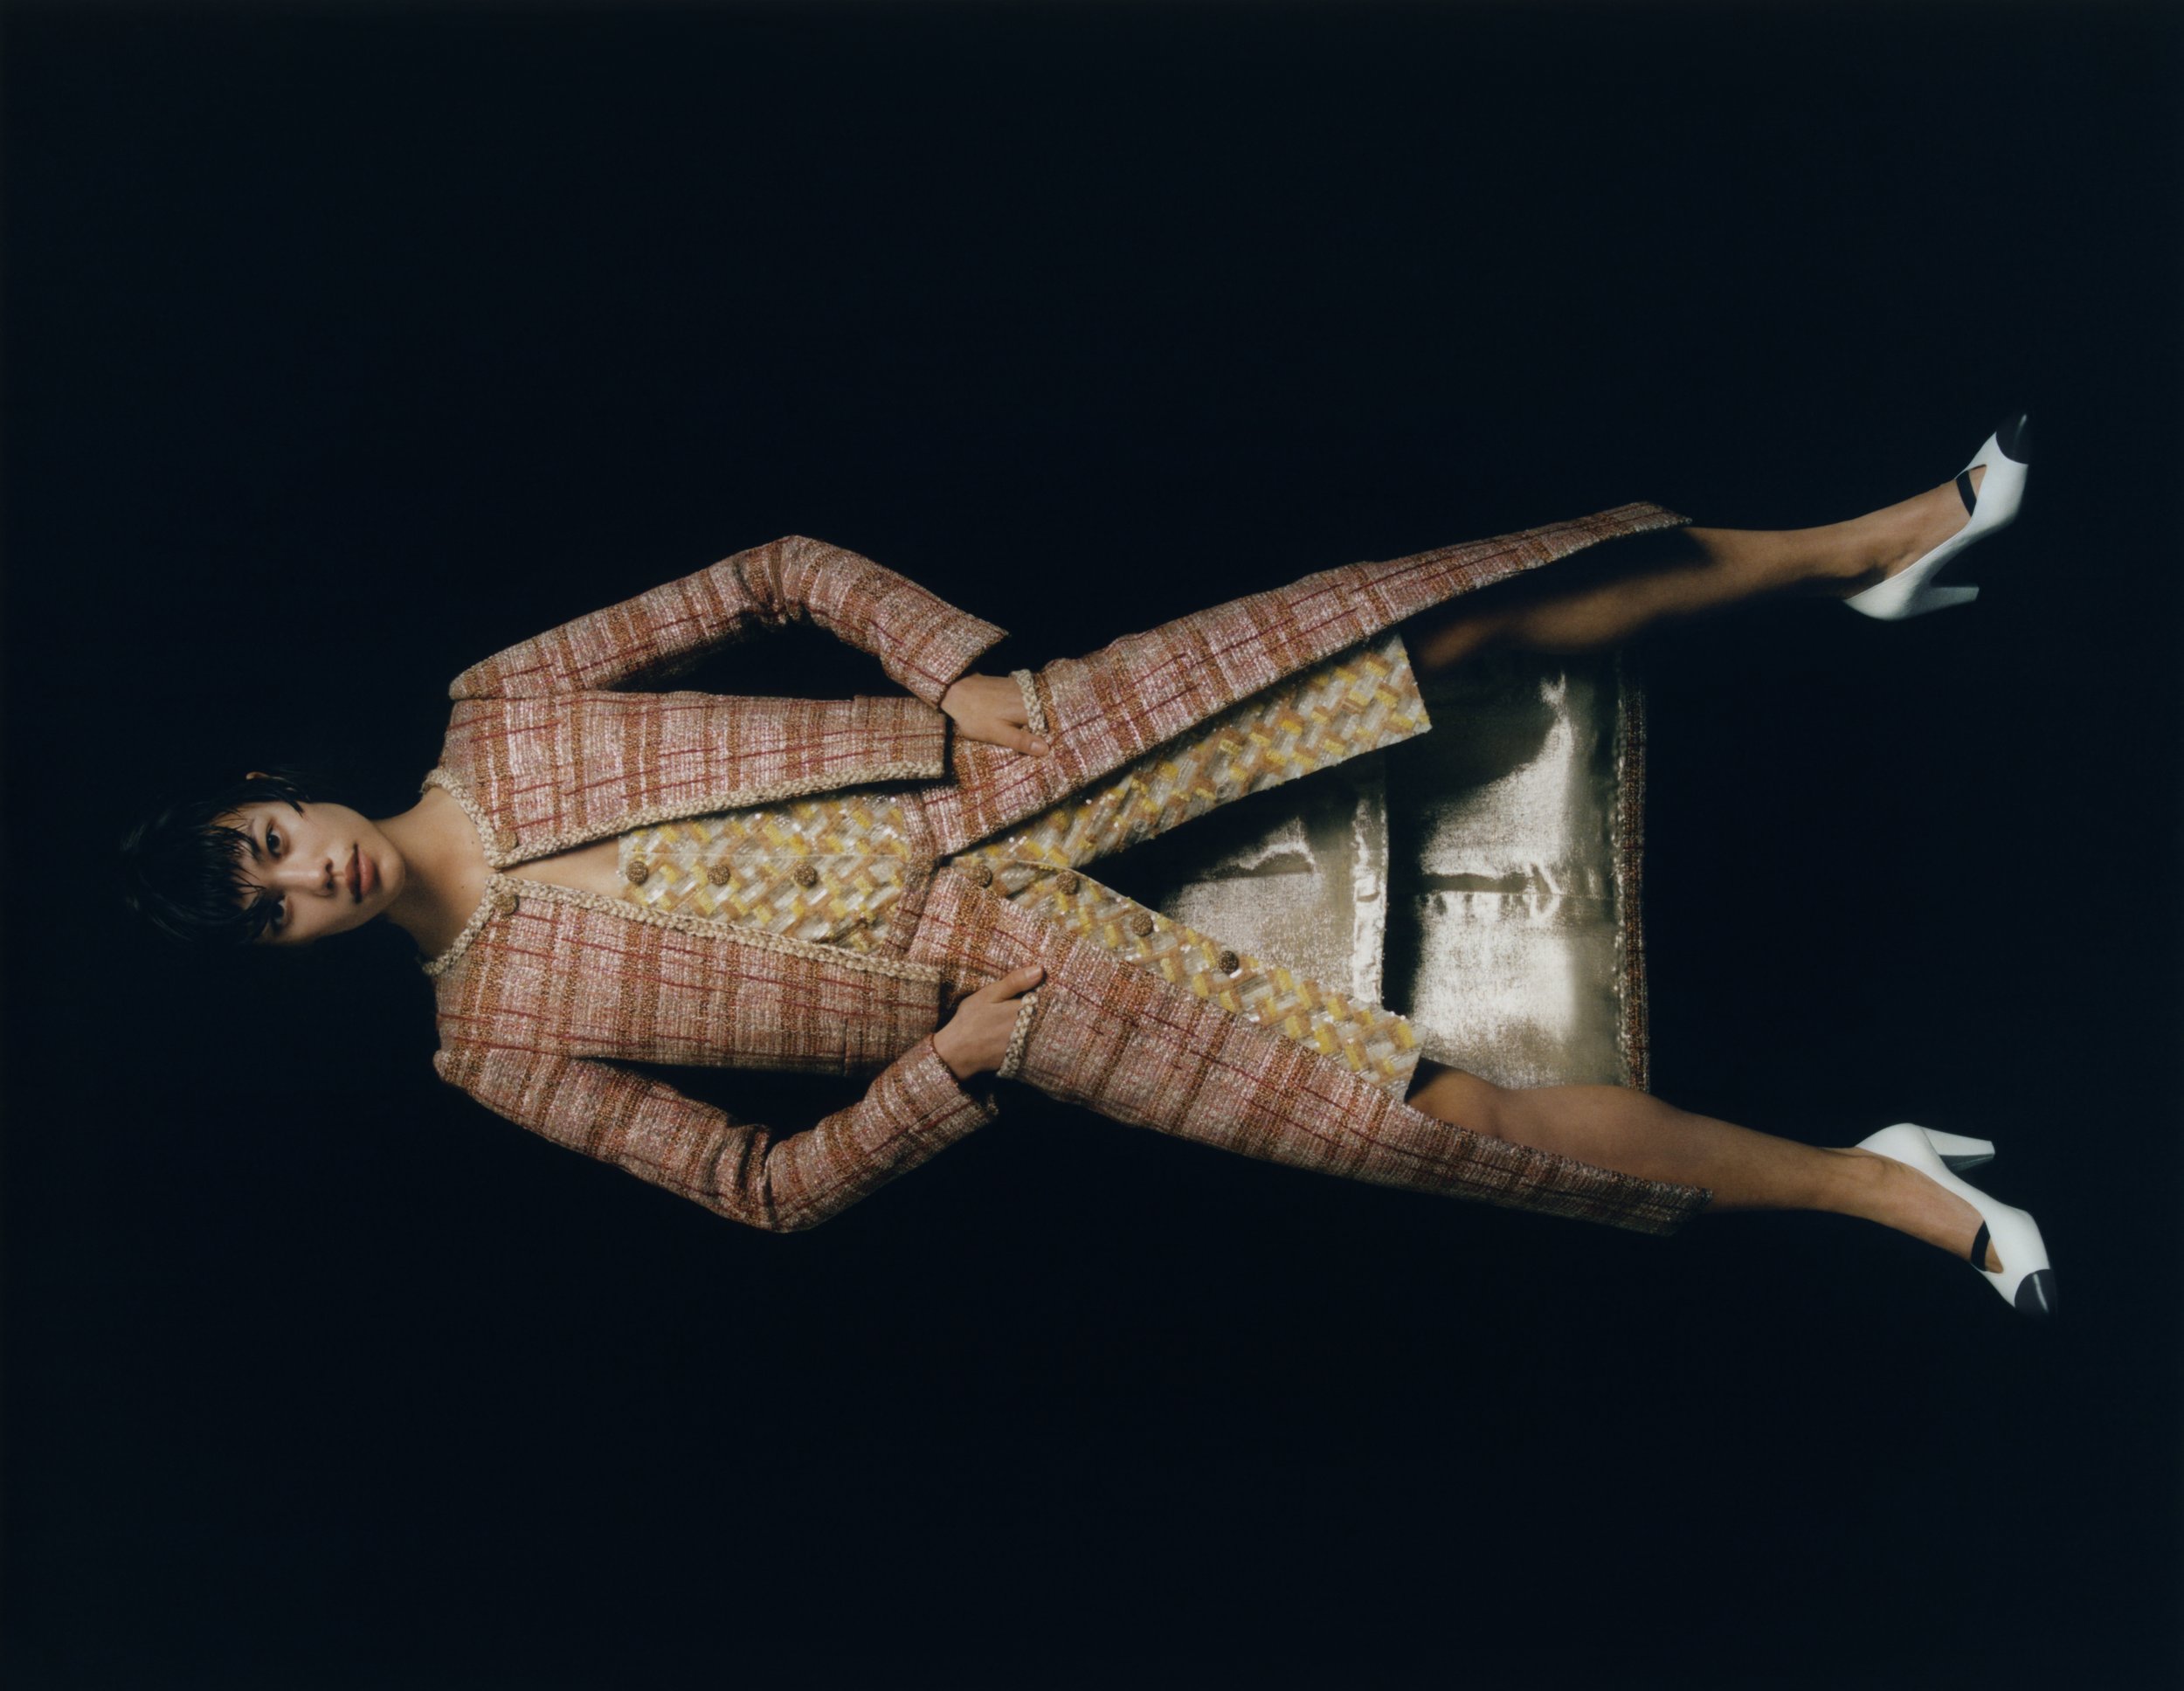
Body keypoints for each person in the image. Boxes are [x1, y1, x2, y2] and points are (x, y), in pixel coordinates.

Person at [121, 415, 2052, 1318]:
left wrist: (945, 669)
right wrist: (947, 1072)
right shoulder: (484, 1048)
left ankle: (1862, 545)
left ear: (273, 788)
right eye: (269, 908)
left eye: (266, 844)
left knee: (1432, 632)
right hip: (1029, 1003)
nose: (306, 878)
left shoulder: (501, 703)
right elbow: (753, 1187)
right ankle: (1875, 1185)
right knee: (1449, 1115)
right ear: (283, 954)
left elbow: (771, 569)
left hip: (1029, 757)